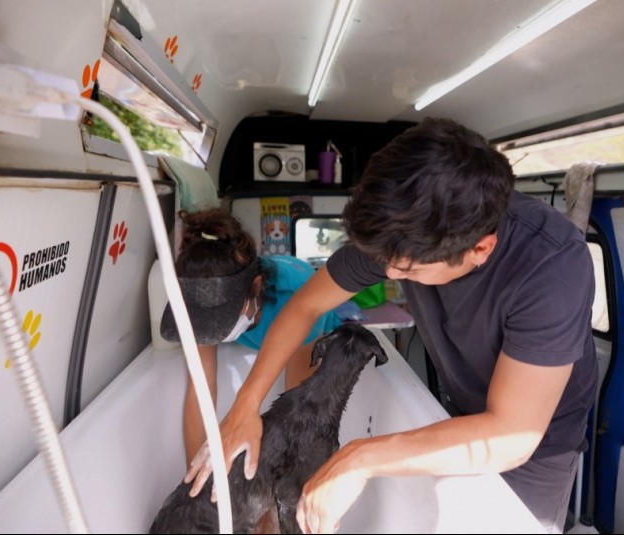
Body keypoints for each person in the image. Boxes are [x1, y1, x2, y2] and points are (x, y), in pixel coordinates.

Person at [185, 118, 597, 534]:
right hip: (460, 405)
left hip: (537, 442)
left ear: (480, 249)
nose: (390, 273)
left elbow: (511, 434)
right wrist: (246, 405)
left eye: (405, 270)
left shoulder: (551, 266)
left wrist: (358, 458)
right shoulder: (401, 232)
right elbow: (306, 305)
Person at [159, 207, 341, 479]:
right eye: (206, 322)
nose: (212, 331)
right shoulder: (202, 296)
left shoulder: (297, 299)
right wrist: (195, 480)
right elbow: (201, 389)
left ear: (256, 287)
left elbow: (295, 407)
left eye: (218, 320)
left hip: (313, 332)